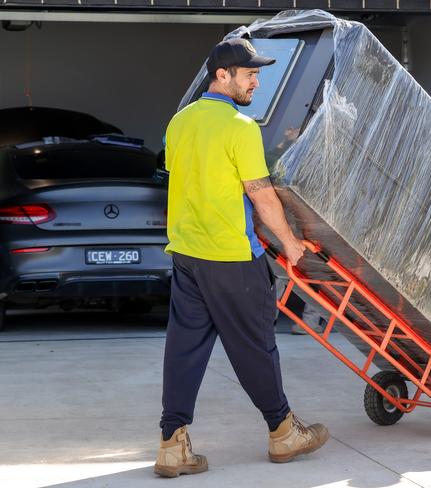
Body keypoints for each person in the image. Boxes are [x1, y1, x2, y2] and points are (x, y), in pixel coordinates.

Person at [154, 38, 329, 478]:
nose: (256, 82)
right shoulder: (240, 126)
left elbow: (185, 178)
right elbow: (261, 195)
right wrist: (289, 242)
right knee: (255, 346)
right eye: (249, 74)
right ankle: (284, 433)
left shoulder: (179, 123)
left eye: (257, 75)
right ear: (222, 75)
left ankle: (171, 446)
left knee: (183, 350)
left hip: (187, 255)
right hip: (232, 256)